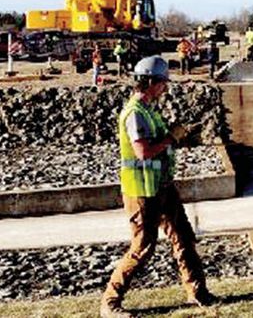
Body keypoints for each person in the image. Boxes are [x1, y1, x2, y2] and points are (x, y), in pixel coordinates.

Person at [100, 56, 216, 317]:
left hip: (162, 185)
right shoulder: (134, 113)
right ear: (150, 82)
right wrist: (170, 138)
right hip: (142, 190)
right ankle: (110, 302)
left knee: (183, 236)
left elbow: (160, 144)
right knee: (143, 245)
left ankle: (197, 292)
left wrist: (179, 138)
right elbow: (143, 152)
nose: (166, 87)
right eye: (163, 82)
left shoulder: (150, 109)